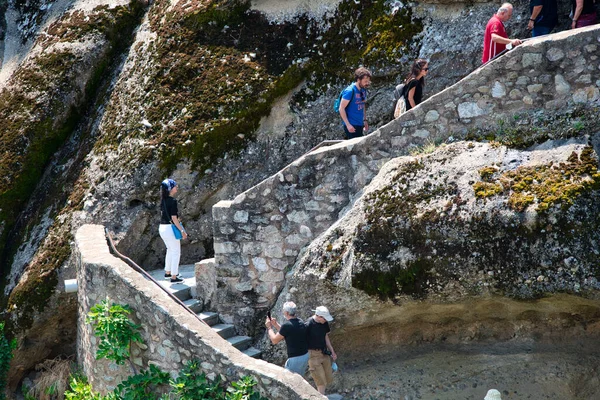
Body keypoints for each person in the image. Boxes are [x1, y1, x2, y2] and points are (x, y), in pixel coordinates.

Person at [264, 302, 309, 375]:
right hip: (304, 355)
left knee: (291, 380)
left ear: (287, 312)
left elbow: (274, 340)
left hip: (295, 358)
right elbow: (287, 332)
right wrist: (275, 324)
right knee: (300, 378)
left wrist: (269, 327)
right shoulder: (300, 321)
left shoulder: (287, 325)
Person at [159, 178, 187, 283]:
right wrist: (182, 231)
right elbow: (174, 218)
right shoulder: (173, 201)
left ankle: (168, 272)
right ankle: (174, 277)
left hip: (162, 228)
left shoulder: (163, 200)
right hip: (170, 229)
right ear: (171, 189)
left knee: (170, 250)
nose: (177, 187)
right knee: (176, 252)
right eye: (175, 186)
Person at [305, 306, 337, 395]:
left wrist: (332, 351)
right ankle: (321, 397)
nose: (326, 320)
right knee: (320, 380)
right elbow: (301, 340)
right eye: (325, 318)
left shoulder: (324, 323)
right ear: (319, 316)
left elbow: (325, 336)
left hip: (324, 352)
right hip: (312, 354)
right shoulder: (308, 324)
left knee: (327, 377)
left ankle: (321, 396)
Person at [339, 67, 371, 139]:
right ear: (358, 80)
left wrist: (365, 120)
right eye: (365, 81)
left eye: (368, 81)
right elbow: (341, 108)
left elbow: (363, 105)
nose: (367, 83)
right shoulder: (350, 91)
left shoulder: (363, 90)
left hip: (359, 123)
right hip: (351, 124)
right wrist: (348, 125)